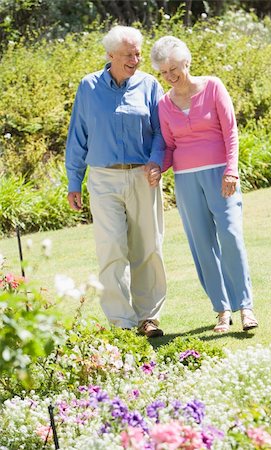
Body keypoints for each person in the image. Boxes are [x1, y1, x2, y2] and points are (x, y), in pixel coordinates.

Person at [151, 36, 258, 332]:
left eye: (174, 68)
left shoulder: (212, 86)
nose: (171, 76)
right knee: (202, 245)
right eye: (164, 72)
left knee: (231, 236)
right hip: (185, 180)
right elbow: (170, 147)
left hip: (220, 175)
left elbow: (231, 133)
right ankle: (222, 310)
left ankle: (246, 306)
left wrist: (231, 171)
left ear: (187, 61)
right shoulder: (163, 104)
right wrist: (158, 168)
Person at [65, 26, 166, 337]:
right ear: (110, 56)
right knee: (111, 249)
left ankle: (148, 317)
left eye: (137, 53)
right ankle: (121, 321)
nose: (135, 59)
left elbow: (162, 132)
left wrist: (156, 162)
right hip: (103, 178)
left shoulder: (150, 85)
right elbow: (78, 135)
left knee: (148, 247)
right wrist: (74, 180)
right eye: (128, 55)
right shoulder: (89, 86)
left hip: (142, 176)